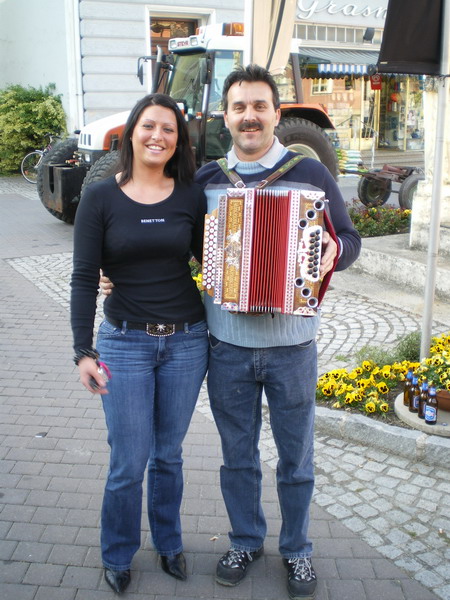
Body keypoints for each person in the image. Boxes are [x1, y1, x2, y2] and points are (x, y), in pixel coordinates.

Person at [194, 65, 361, 600]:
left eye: (259, 106)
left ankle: (297, 549)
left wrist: (335, 250)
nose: (249, 116)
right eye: (239, 107)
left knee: (296, 460)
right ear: (226, 116)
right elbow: (176, 246)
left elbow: (349, 238)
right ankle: (246, 541)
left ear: (276, 113)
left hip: (293, 347)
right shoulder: (207, 180)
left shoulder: (310, 174)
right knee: (238, 458)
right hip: (227, 347)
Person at [70, 93, 208, 594]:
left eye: (169, 129)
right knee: (128, 461)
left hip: (187, 342)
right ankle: (117, 553)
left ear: (179, 141)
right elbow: (84, 277)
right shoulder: (99, 198)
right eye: (149, 126)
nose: (158, 136)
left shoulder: (191, 195)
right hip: (124, 344)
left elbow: (214, 264)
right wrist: (82, 351)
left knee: (168, 455)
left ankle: (169, 544)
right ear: (131, 133)